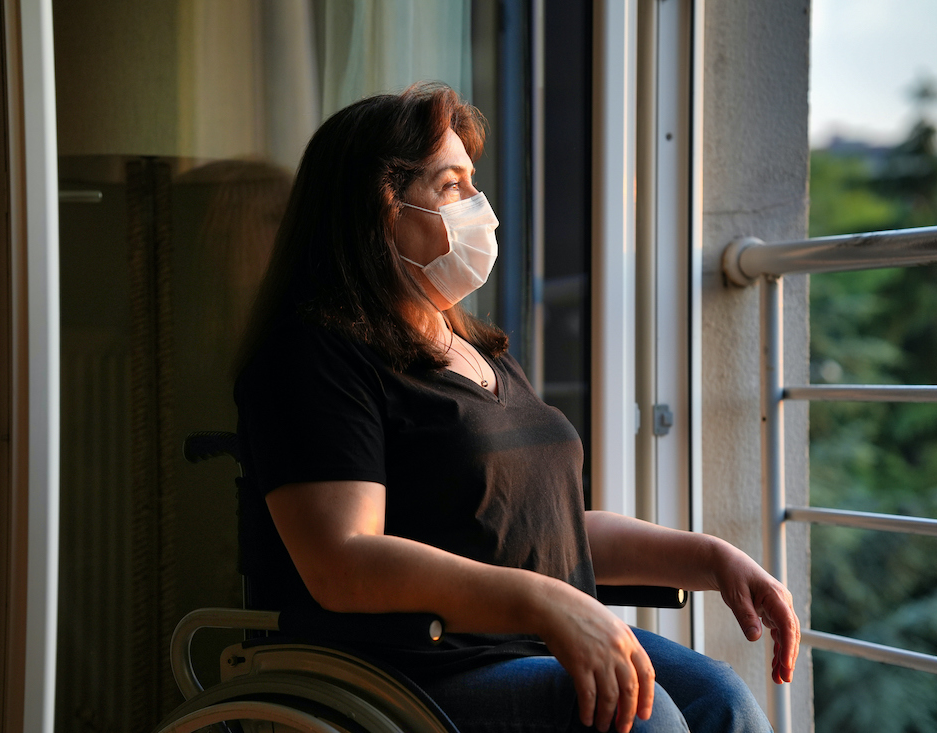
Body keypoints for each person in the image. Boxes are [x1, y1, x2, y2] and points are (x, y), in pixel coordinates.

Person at [234, 83, 799, 733]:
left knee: (721, 698)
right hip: (419, 667)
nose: (479, 207)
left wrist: (712, 557)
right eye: (452, 185)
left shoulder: (477, 351)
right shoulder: (315, 357)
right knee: (644, 719)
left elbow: (544, 529)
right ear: (382, 205)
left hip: (525, 641)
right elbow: (342, 559)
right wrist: (544, 600)